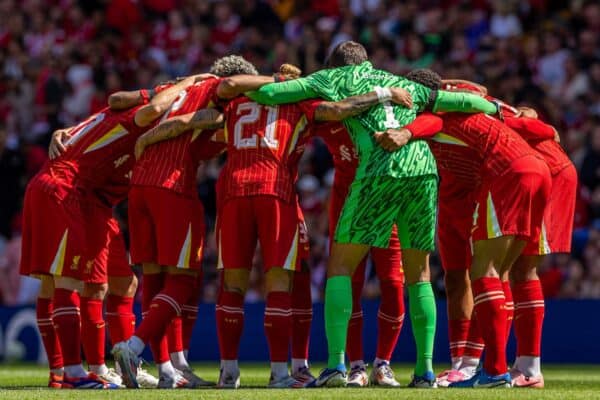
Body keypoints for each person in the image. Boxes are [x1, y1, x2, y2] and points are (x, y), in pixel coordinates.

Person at [245, 40, 499, 387]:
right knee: (420, 273)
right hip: (423, 171)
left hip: (378, 171)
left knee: (341, 267)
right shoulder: (403, 82)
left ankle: (336, 365)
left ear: (334, 65)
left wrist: (247, 84)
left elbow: (272, 95)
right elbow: (464, 101)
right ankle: (425, 371)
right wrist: (497, 108)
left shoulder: (329, 80)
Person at [21, 79, 191, 389]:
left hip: (94, 203)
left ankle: (104, 366)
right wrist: (192, 82)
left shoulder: (129, 125)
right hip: (68, 191)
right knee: (60, 280)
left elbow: (111, 106)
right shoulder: (138, 119)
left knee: (119, 284)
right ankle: (66, 371)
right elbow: (144, 104)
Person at [403, 69, 553, 388]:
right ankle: (510, 368)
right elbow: (479, 88)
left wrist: (402, 131)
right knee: (501, 273)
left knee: (483, 272)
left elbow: (431, 119)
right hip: (537, 170)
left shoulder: (436, 117)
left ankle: (494, 371)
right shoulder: (466, 104)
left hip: (506, 173)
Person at [111, 56, 250, 389]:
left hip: (140, 186)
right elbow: (204, 119)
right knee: (183, 280)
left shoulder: (175, 87)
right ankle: (134, 347)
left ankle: (168, 370)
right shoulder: (217, 94)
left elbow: (126, 103)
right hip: (173, 186)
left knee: (156, 282)